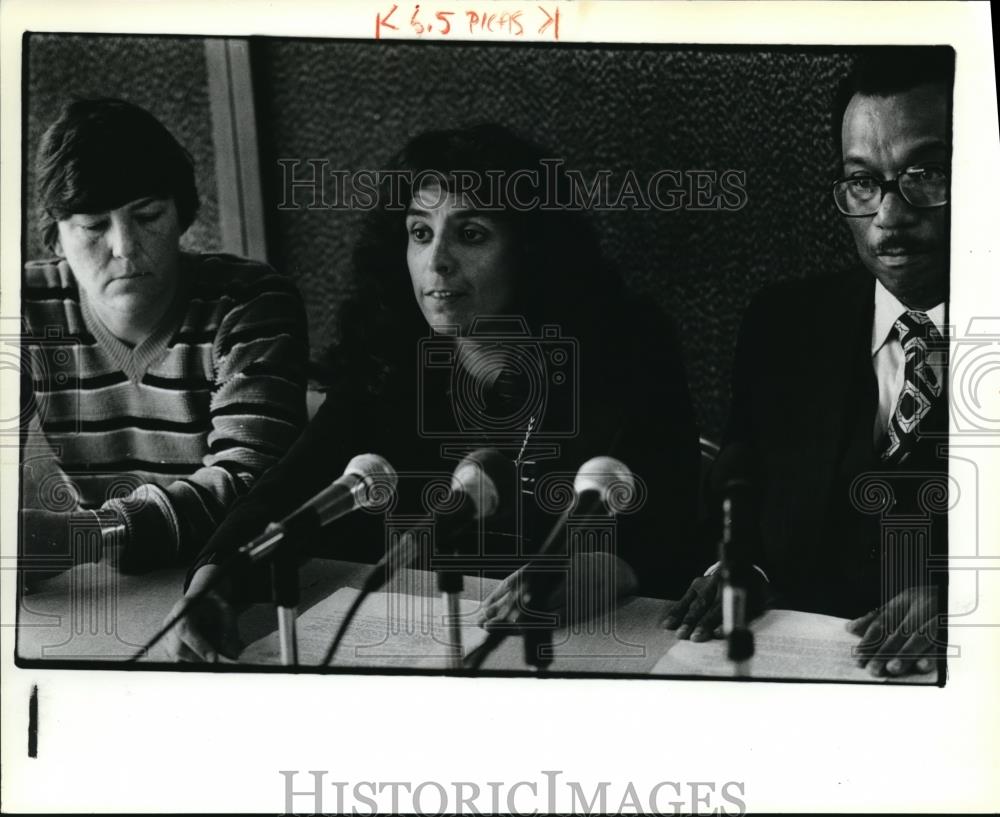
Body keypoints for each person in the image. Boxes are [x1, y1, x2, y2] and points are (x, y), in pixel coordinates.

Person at [164, 123, 702, 662]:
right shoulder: (389, 354)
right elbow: (291, 487)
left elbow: (673, 531)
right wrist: (216, 577)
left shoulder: (627, 350)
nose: (437, 260)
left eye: (470, 235)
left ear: (531, 250)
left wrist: (599, 573)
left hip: (586, 652)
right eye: (420, 233)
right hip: (416, 647)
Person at [664, 47, 953, 679]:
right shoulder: (785, 326)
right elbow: (743, 499)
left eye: (928, 173)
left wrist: (968, 604)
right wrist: (744, 567)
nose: (889, 217)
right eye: (862, 181)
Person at [20, 98, 309, 578]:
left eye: (148, 216)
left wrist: (83, 537)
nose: (125, 248)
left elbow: (253, 486)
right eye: (93, 226)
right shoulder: (25, 307)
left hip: (233, 577)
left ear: (182, 214)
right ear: (55, 238)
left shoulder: (250, 303)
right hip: (108, 584)